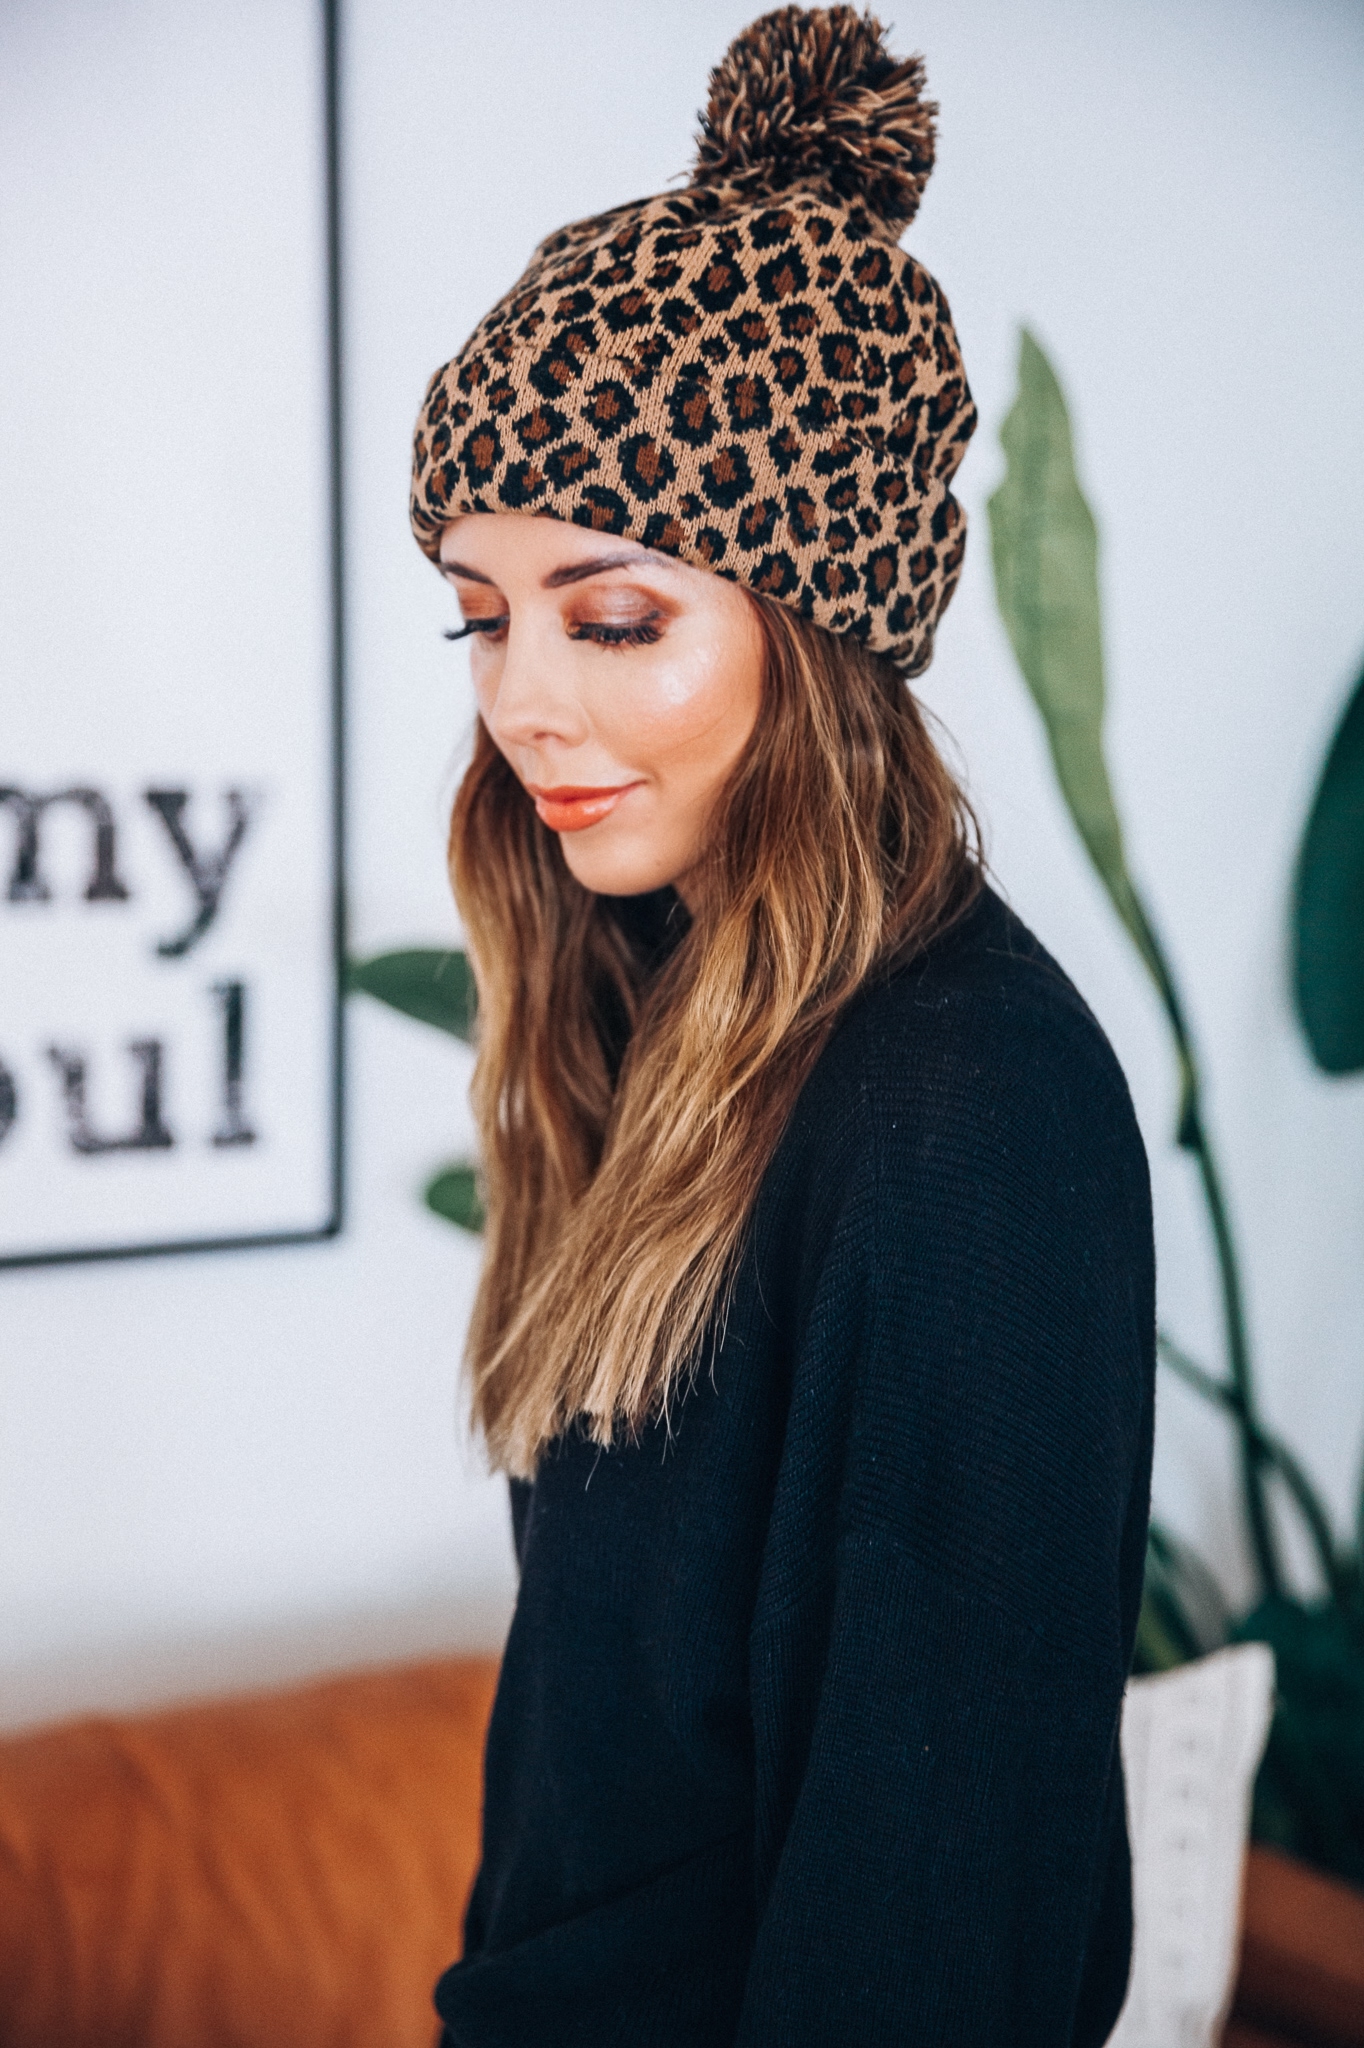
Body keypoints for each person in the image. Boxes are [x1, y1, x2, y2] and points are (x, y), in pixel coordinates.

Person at [410, 9, 1154, 2043]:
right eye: (481, 612)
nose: (519, 700)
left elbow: (944, 1926)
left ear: (820, 624)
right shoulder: (657, 1013)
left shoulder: (961, 1111)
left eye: (611, 612)